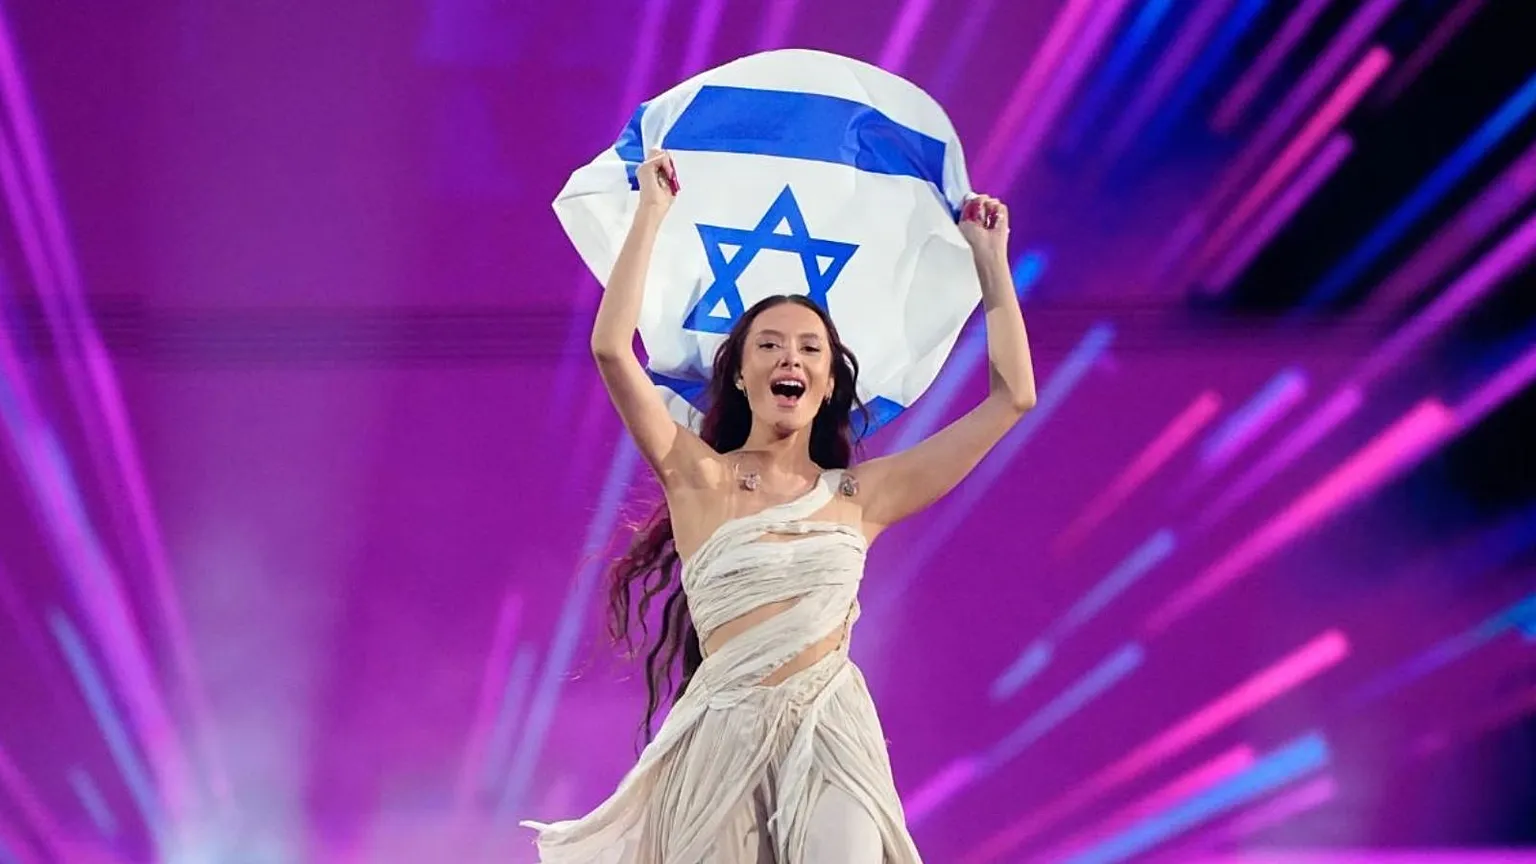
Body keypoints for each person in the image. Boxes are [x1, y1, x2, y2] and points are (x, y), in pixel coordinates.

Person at [522, 149, 1037, 862]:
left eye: (809, 349)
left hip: (832, 732)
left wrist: (989, 259)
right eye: (769, 345)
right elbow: (612, 348)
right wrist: (651, 212)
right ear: (740, 376)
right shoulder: (699, 477)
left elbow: (1013, 398)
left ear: (828, 384)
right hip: (721, 741)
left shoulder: (862, 496)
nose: (790, 358)